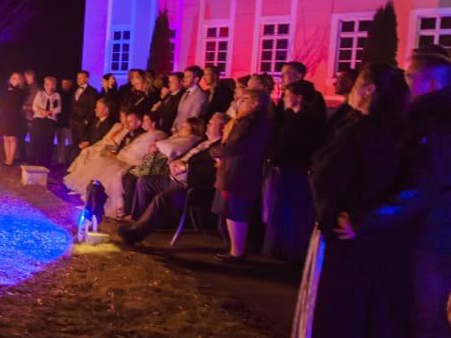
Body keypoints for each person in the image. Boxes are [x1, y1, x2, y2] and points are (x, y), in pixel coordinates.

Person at [330, 47, 451, 338]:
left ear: (429, 82)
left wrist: (366, 221)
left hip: (432, 235)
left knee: (424, 322)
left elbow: (420, 186)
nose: (402, 82)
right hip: (436, 230)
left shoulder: (431, 120)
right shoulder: (434, 115)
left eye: (408, 76)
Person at [288, 64, 411, 338]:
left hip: (341, 237)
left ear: (368, 90)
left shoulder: (358, 130)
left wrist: (337, 217)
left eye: (357, 84)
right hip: (369, 236)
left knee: (330, 315)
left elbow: (327, 176)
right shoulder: (394, 129)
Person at [119, 114, 226, 245]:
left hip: (187, 185)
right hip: (173, 177)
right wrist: (175, 162)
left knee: (161, 199)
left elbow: (210, 170)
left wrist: (186, 167)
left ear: (222, 127)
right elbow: (185, 156)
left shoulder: (220, 148)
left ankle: (136, 234)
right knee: (144, 181)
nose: (208, 125)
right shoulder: (202, 142)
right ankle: (138, 221)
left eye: (212, 123)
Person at [262, 81, 323, 263]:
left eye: (287, 94)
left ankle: (291, 251)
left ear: (298, 97)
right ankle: (282, 249)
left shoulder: (306, 121)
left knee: (292, 211)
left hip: (295, 170)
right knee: (282, 209)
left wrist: (277, 157)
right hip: (285, 168)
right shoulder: (289, 117)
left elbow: (295, 146)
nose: (283, 99)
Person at [211, 88, 273, 264]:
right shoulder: (250, 121)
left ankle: (237, 252)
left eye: (244, 99)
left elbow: (235, 146)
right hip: (235, 170)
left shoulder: (251, 122)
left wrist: (214, 151)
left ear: (255, 103)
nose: (240, 102)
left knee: (236, 212)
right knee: (232, 212)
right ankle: (235, 249)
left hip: (238, 172)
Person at [122, 116, 205, 220]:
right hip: (158, 164)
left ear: (193, 130)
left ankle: (137, 217)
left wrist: (157, 145)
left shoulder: (190, 139)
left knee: (134, 178)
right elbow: (165, 143)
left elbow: (170, 149)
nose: (181, 128)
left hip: (164, 168)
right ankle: (134, 214)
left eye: (184, 127)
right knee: (130, 177)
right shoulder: (179, 136)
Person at [0, 72, 27, 166]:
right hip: (5, 116)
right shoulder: (6, 89)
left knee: (12, 138)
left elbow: (18, 103)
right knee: (6, 138)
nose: (14, 80)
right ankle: (7, 158)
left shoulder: (21, 91)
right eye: (13, 78)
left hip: (14, 117)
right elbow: (1, 100)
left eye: (17, 78)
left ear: (20, 80)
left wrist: (13, 90)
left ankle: (11, 160)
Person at [30, 76, 62, 167]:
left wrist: (48, 113)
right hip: (38, 119)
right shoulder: (40, 93)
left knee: (47, 142)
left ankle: (45, 164)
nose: (48, 86)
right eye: (46, 84)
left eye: (50, 84)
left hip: (50, 121)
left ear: (54, 85)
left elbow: (58, 109)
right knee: (36, 140)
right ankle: (33, 162)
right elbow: (34, 106)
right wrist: (42, 112)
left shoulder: (57, 95)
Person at [70, 71, 99, 161]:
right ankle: (72, 165)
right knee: (74, 144)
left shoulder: (92, 91)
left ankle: (81, 165)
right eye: (78, 78)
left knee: (82, 144)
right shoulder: (75, 89)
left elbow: (92, 107)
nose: (78, 80)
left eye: (81, 78)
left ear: (87, 79)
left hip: (83, 122)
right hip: (73, 121)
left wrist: (87, 121)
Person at [325, 65, 356, 141]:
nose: (334, 83)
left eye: (339, 79)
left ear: (350, 82)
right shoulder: (346, 106)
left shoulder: (351, 108)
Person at [173, 66, 207, 131]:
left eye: (187, 77)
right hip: (179, 130)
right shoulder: (185, 93)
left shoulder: (200, 95)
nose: (184, 79)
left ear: (196, 79)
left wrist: (183, 130)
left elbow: (194, 117)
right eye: (184, 76)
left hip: (188, 132)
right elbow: (179, 113)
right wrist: (174, 127)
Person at [56, 79, 75, 164]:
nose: (65, 85)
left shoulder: (73, 94)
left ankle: (70, 161)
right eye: (63, 83)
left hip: (69, 123)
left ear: (70, 84)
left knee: (71, 143)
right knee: (60, 144)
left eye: (67, 83)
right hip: (59, 122)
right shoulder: (58, 94)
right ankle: (61, 161)